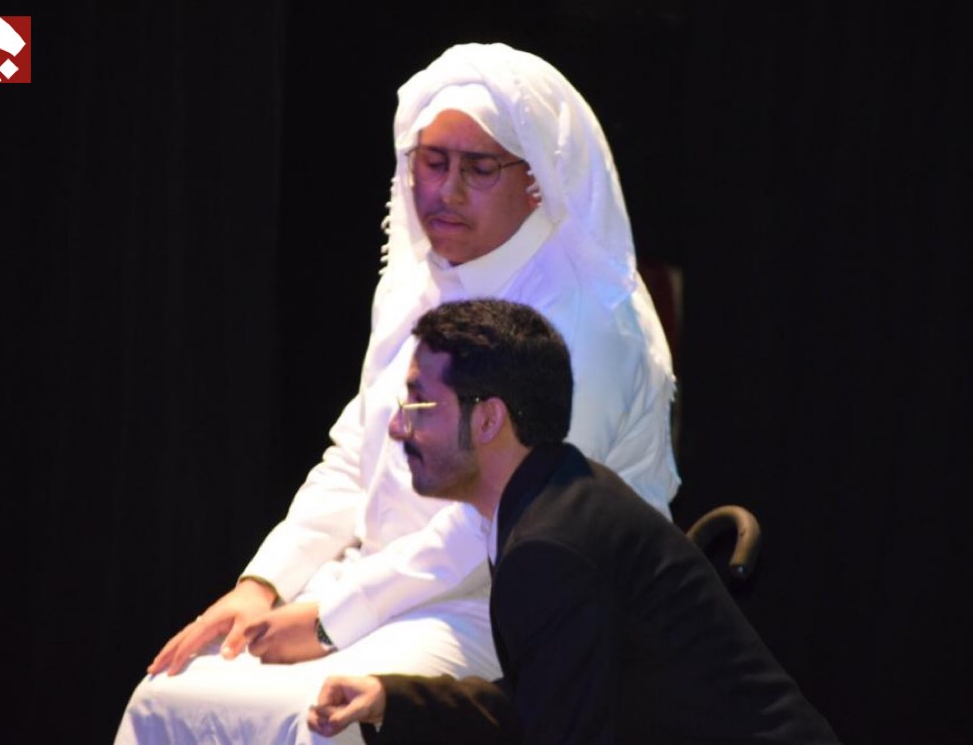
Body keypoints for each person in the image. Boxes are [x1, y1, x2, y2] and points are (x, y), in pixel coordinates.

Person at [115, 42, 680, 743]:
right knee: (170, 697)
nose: (446, 191)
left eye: (479, 169)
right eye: (432, 162)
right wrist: (264, 585)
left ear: (537, 179)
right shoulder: (416, 284)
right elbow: (357, 453)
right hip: (384, 587)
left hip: (513, 605)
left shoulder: (586, 319)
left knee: (322, 717)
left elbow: (513, 513)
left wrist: (332, 618)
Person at [309, 299, 841, 744]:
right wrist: (392, 699)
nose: (398, 427)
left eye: (420, 404)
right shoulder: (555, 493)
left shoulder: (549, 547)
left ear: (489, 418)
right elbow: (541, 700)